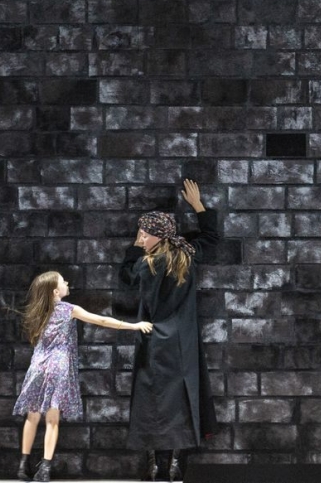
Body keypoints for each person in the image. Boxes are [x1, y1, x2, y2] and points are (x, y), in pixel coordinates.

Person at [119, 179, 220, 482]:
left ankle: (154, 463)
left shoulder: (146, 264)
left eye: (144, 233)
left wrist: (134, 249)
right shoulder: (187, 255)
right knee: (181, 400)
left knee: (151, 400)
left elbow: (126, 277)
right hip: (183, 341)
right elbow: (211, 236)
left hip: (153, 340)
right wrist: (198, 206)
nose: (141, 237)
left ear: (157, 236)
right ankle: (175, 462)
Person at [13, 271, 153, 481]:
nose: (67, 283)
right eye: (63, 281)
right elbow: (101, 320)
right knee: (52, 419)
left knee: (32, 416)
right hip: (58, 366)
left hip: (37, 366)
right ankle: (45, 469)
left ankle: (23, 466)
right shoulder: (69, 309)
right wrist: (134, 325)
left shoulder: (38, 311)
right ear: (55, 291)